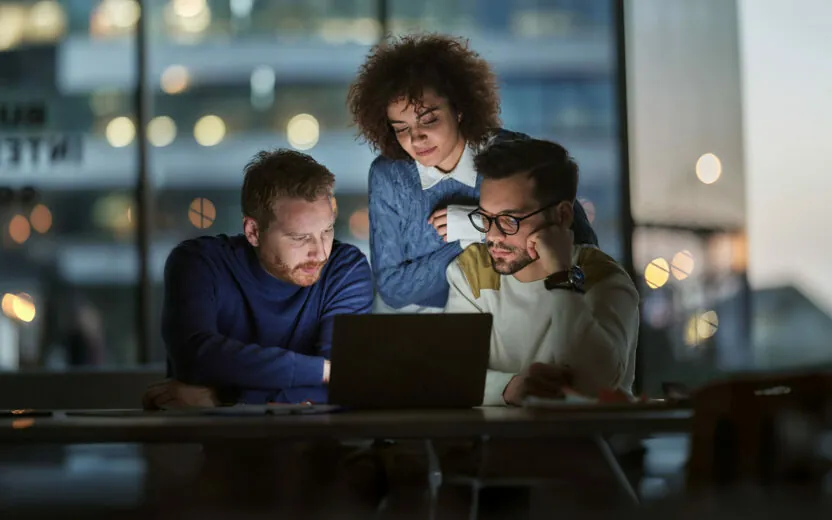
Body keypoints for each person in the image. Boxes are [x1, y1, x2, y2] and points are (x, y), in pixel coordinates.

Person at [347, 33, 597, 312]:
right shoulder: (388, 175)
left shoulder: (517, 156)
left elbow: (583, 245)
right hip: (431, 333)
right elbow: (393, 289)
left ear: (459, 109)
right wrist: (470, 238)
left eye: (429, 119)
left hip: (522, 318)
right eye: (401, 128)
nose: (416, 139)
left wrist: (478, 224)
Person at [144, 149, 373, 409]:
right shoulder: (199, 263)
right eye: (300, 238)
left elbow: (343, 384)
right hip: (209, 444)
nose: (320, 252)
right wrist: (321, 370)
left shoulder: (345, 269)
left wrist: (225, 400)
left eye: (327, 231)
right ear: (253, 231)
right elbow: (195, 356)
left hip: (318, 443)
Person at [444, 138, 639, 405]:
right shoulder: (473, 272)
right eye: (486, 218)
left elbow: (595, 385)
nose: (493, 236)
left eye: (509, 220)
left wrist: (561, 273)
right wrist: (508, 387)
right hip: (495, 441)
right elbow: (451, 377)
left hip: (585, 443)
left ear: (562, 216)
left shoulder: (603, 278)